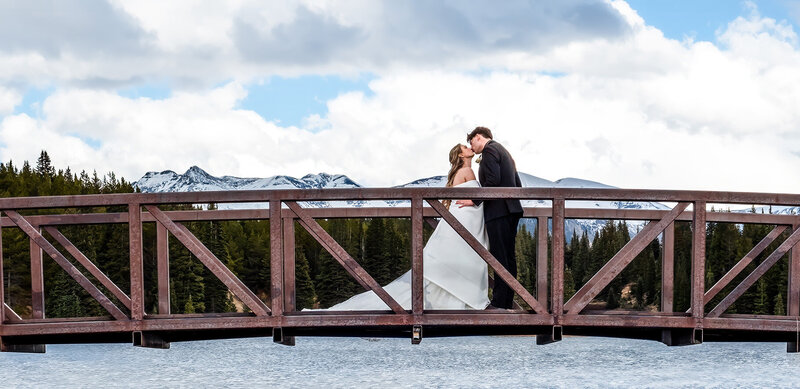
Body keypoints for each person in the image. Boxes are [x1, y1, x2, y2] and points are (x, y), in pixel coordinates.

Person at [324, 144, 490, 310]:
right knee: (465, 255)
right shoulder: (467, 172)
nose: (469, 148)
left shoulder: (459, 173)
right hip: (465, 216)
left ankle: (454, 297)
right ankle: (463, 298)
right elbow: (480, 195)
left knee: (458, 256)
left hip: (463, 216)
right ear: (461, 155)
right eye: (465, 147)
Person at [455, 127, 523, 309]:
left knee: (500, 258)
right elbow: (518, 183)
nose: (472, 146)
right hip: (511, 209)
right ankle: (506, 300)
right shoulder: (503, 151)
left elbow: (492, 181)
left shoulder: (490, 150)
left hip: (499, 211)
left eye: (471, 142)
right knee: (508, 257)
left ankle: (500, 302)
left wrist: (474, 200)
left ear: (478, 137)